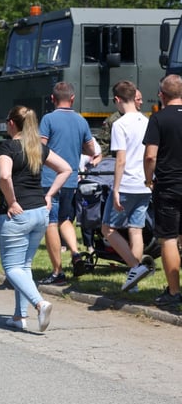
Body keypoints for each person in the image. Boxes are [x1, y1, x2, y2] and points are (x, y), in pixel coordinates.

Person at [0, 106, 72, 332]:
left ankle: (40, 304)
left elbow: (4, 176)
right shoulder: (37, 147)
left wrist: (11, 202)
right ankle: (19, 316)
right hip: (39, 212)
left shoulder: (7, 147)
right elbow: (66, 169)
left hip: (18, 214)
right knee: (24, 266)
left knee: (12, 267)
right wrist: (49, 195)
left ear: (12, 123)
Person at [38, 81, 96, 286]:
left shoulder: (48, 119)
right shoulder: (81, 120)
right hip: (71, 179)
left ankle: (58, 272)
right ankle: (76, 253)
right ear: (72, 98)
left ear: (52, 99)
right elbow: (91, 150)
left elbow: (40, 148)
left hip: (50, 179)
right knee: (65, 219)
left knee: (51, 223)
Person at [100, 80, 153, 292]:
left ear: (117, 99)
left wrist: (115, 188)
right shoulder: (147, 121)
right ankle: (133, 281)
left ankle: (135, 267)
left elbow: (120, 159)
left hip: (126, 184)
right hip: (144, 183)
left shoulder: (120, 124)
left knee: (108, 228)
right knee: (136, 230)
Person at [143, 74, 182, 307]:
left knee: (168, 238)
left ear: (162, 95)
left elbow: (150, 156)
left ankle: (174, 291)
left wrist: (149, 180)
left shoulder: (158, 118)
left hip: (168, 185)